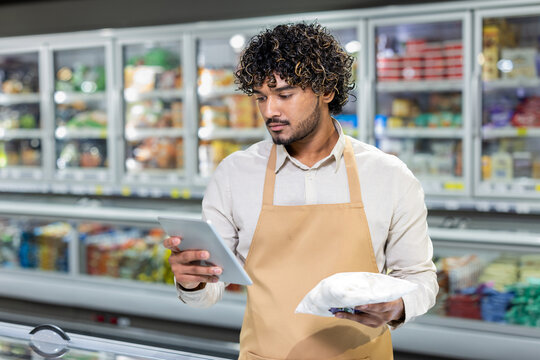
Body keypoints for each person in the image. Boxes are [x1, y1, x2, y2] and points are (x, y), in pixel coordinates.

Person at [164, 22, 438, 360]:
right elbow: (210, 289)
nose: (270, 111)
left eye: (285, 94)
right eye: (261, 97)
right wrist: (192, 281)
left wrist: (396, 307)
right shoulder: (235, 174)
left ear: (326, 91)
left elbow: (420, 279)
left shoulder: (388, 175)